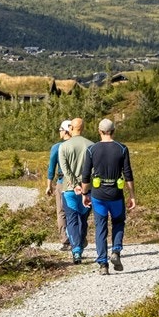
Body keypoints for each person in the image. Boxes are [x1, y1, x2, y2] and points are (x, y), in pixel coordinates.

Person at [84, 117, 135, 275]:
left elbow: (85, 175)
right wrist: (132, 195)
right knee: (118, 222)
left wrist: (85, 194)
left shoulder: (92, 150)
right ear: (113, 131)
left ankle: (103, 265)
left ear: (99, 131)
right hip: (116, 194)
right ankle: (116, 251)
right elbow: (128, 174)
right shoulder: (122, 148)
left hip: (98, 195)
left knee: (101, 227)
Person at [56, 117, 93, 264]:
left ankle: (76, 251)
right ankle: (80, 244)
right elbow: (93, 169)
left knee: (72, 220)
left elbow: (64, 169)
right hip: (88, 189)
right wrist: (84, 185)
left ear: (71, 128)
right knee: (83, 219)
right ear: (83, 128)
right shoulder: (91, 145)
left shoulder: (64, 146)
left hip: (69, 189)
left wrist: (73, 183)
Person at [44, 119, 73, 250]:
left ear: (65, 130)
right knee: (76, 211)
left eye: (60, 130)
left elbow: (51, 168)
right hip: (77, 181)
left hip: (62, 182)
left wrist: (49, 185)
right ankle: (78, 237)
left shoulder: (57, 147)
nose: (59, 132)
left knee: (61, 212)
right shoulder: (77, 145)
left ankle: (65, 240)